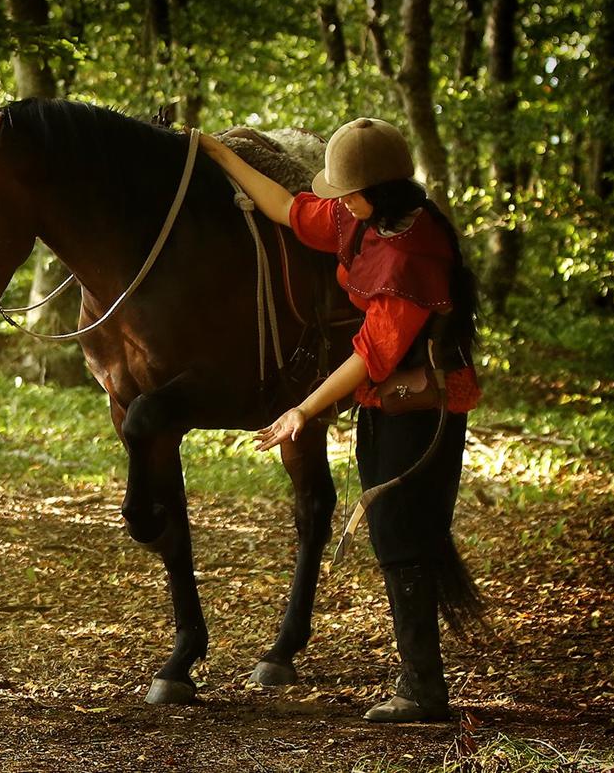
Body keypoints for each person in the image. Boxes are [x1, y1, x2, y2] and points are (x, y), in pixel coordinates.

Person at [198, 118, 483, 723]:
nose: (338, 200)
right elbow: (288, 208)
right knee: (391, 530)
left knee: (402, 533)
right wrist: (220, 154)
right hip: (387, 400)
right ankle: (420, 683)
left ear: (377, 190)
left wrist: (303, 409)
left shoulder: (412, 251)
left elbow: (371, 352)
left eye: (347, 190)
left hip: (423, 406)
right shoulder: (361, 218)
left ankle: (423, 691)